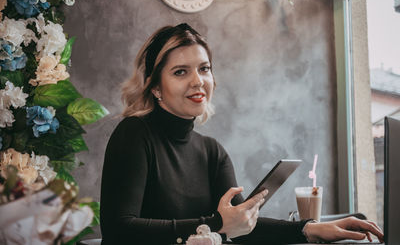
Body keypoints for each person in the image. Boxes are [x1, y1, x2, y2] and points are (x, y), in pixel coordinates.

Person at [100, 23, 383, 244]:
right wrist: (216, 224)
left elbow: (242, 227)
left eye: (204, 69)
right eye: (180, 72)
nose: (198, 81)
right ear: (155, 87)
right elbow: (119, 231)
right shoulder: (134, 134)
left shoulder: (213, 151)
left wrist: (311, 229)